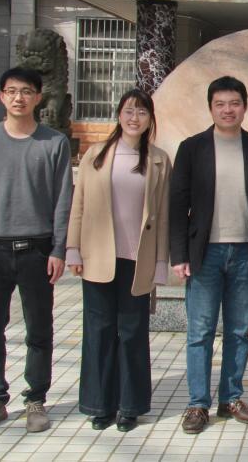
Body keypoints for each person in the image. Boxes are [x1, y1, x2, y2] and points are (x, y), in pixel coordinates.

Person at [0, 67, 73, 434]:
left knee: (39, 329)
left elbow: (63, 201)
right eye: (11, 91)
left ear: (38, 97)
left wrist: (59, 249)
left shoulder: (54, 142)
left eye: (26, 91)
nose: (18, 98)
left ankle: (35, 399)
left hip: (37, 250)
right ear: (1, 96)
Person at [169, 76, 248, 434]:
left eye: (234, 103)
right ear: (211, 108)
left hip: (245, 252)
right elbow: (177, 204)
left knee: (239, 331)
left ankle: (231, 398)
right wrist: (179, 254)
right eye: (220, 104)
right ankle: (198, 404)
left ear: (244, 106)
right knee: (200, 331)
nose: (228, 110)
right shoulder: (192, 148)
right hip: (205, 253)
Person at [66, 89, 171, 432]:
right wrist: (72, 249)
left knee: (132, 332)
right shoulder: (96, 154)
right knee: (98, 331)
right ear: (118, 115)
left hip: (137, 260)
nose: (134, 117)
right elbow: (79, 205)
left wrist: (160, 263)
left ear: (150, 119)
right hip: (98, 257)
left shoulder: (159, 160)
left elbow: (163, 215)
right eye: (128, 111)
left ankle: (130, 406)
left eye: (141, 112)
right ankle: (99, 404)